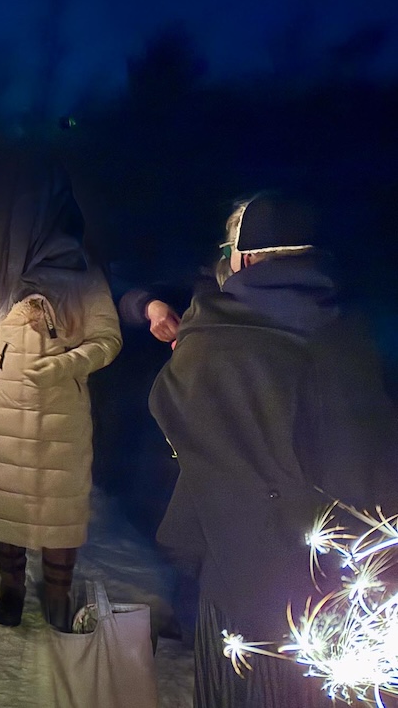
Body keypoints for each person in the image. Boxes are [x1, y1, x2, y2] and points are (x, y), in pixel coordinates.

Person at [149, 193, 398, 708]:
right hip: (342, 576)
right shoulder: (348, 329)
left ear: (243, 258)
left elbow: (174, 413)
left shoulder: (213, 339)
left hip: (242, 583)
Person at [0, 160, 122, 630]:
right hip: (3, 417)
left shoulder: (84, 277)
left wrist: (69, 363)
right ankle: (11, 586)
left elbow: (107, 339)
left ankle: (57, 592)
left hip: (61, 420)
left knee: (60, 509)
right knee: (6, 503)